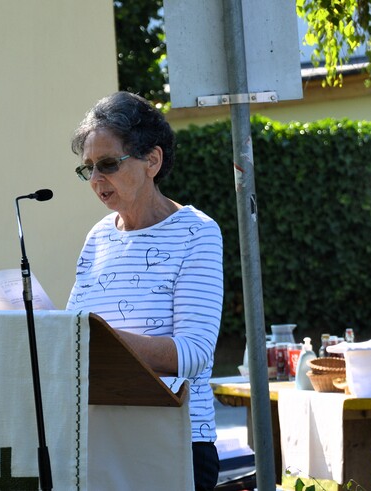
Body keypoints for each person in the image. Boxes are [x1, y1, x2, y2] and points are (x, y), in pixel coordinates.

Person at [65, 91, 224, 491]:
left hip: (172, 441)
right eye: (88, 169)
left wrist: (102, 340)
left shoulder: (197, 232)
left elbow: (193, 354)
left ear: (152, 160)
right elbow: (72, 332)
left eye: (108, 164)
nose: (96, 180)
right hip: (100, 440)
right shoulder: (98, 237)